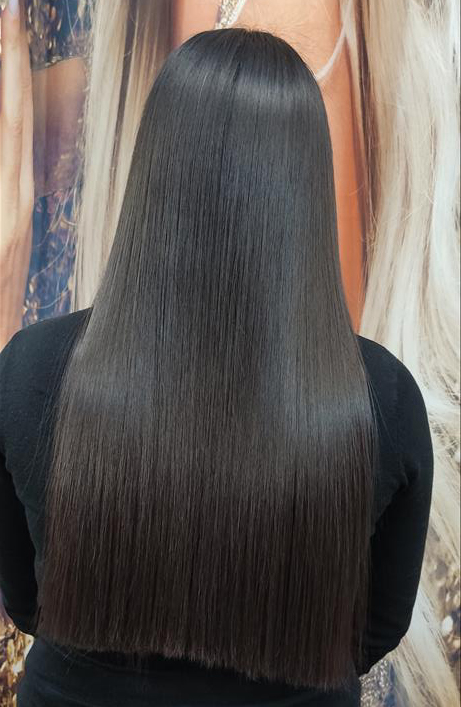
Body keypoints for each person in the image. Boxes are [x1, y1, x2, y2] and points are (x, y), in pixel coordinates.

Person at [0, 28, 434, 707]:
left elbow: (28, 600)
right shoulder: (382, 398)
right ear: (305, 186)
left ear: (154, 168)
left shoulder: (28, 369)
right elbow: (372, 630)